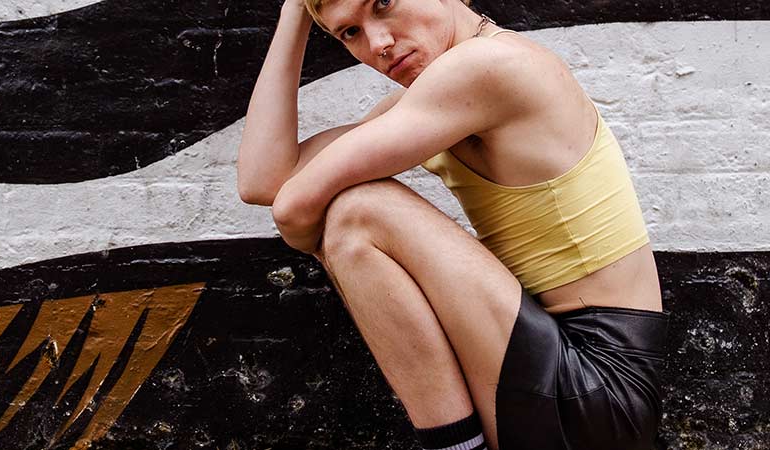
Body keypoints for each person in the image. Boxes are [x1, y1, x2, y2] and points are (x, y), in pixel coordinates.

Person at [237, 0, 670, 449]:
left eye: (383, 3)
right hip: (562, 372)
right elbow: (263, 180)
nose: (378, 43)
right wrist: (294, 12)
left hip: (597, 385)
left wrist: (311, 234)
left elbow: (292, 208)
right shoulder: (432, 96)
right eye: (350, 32)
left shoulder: (488, 66)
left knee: (357, 211)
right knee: (349, 203)